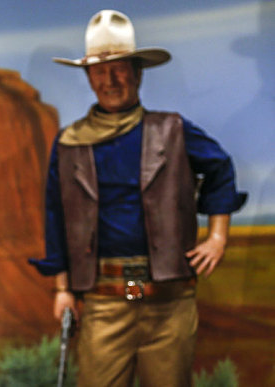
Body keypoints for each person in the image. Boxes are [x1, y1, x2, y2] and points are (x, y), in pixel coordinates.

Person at [29, 10, 246, 387]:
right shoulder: (69, 144)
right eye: (100, 70)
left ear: (137, 72)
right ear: (89, 77)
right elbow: (56, 215)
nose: (110, 80)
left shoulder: (172, 130)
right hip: (103, 302)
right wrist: (63, 289)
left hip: (171, 303)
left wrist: (218, 236)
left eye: (119, 68)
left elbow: (220, 168)